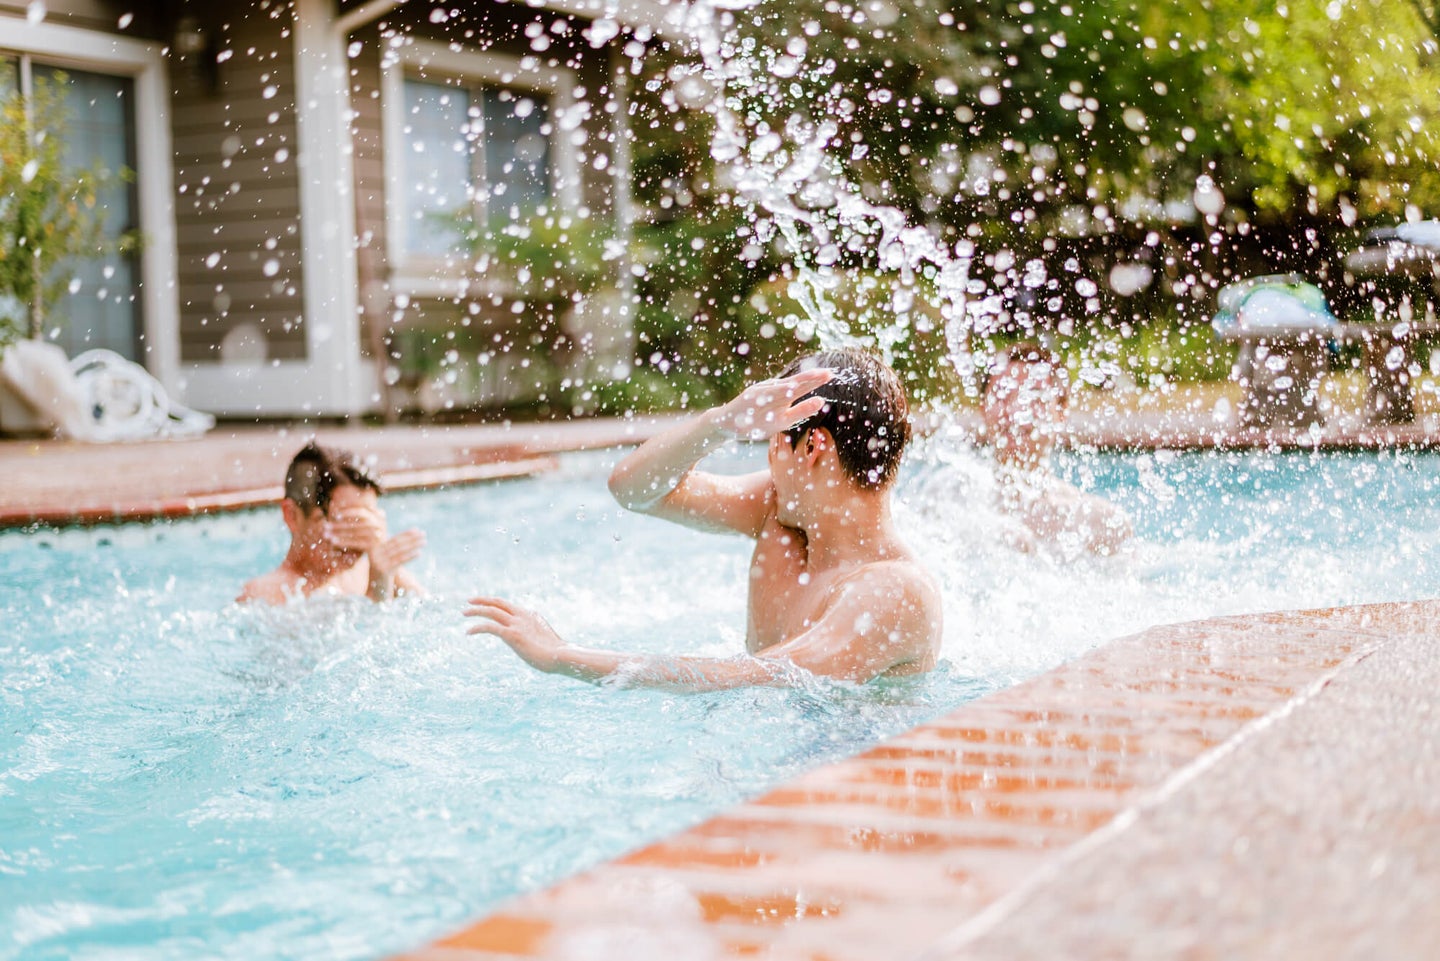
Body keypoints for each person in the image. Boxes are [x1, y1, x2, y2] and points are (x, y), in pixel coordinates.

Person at [465, 348, 943, 689]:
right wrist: (719, 425)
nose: (769, 456)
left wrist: (564, 656)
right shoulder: (782, 514)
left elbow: (767, 677)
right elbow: (634, 490)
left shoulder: (894, 593)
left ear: (813, 448)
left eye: (773, 440)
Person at [982, 342, 1131, 555]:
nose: (1017, 410)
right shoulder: (948, 505)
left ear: (1060, 411)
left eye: (1033, 396)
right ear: (982, 407)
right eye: (1002, 395)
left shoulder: (1101, 523)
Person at [238, 441, 425, 604]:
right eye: (343, 522)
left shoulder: (371, 569)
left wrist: (387, 565)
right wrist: (379, 589)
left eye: (365, 522)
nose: (356, 540)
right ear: (292, 516)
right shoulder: (263, 596)